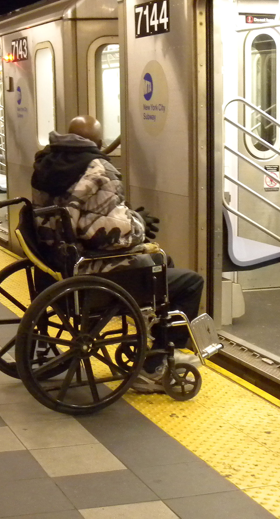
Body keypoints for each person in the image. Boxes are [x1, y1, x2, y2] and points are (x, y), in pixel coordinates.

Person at [31, 115, 203, 393]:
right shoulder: (99, 170)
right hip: (95, 272)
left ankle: (148, 336)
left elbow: (83, 217)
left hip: (56, 265)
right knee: (190, 281)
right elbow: (111, 236)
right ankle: (155, 362)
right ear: (99, 142)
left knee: (164, 264)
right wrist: (140, 224)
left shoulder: (44, 163)